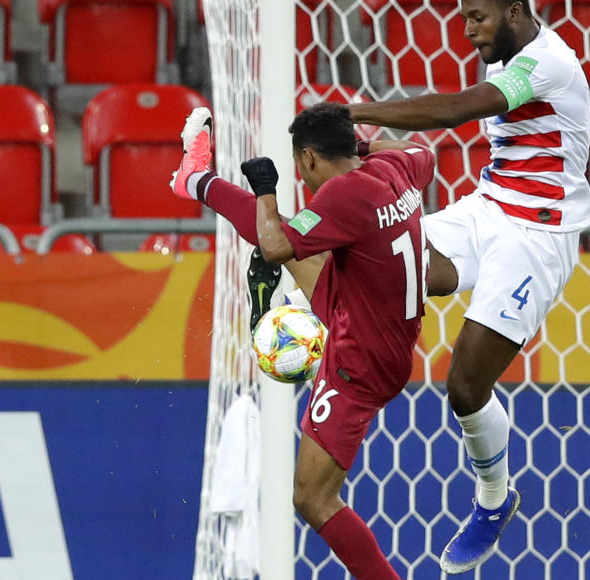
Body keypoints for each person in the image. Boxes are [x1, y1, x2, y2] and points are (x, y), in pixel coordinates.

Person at [344, 0, 590, 574]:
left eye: (477, 18)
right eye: (463, 20)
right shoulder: (502, 57)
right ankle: (323, 330)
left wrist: (353, 112)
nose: (469, 32)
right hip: (487, 208)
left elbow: (454, 110)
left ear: (514, 11)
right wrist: (376, 143)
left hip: (537, 237)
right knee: (385, 256)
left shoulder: (548, 62)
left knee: (464, 388)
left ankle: (494, 499)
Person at [171, 101, 436, 579]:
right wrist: (364, 145)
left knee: (311, 498)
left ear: (310, 159)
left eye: (300, 167)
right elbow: (424, 153)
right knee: (297, 246)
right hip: (374, 315)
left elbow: (272, 245)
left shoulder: (343, 196)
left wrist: (266, 190)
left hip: (359, 362)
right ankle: (194, 179)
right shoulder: (395, 167)